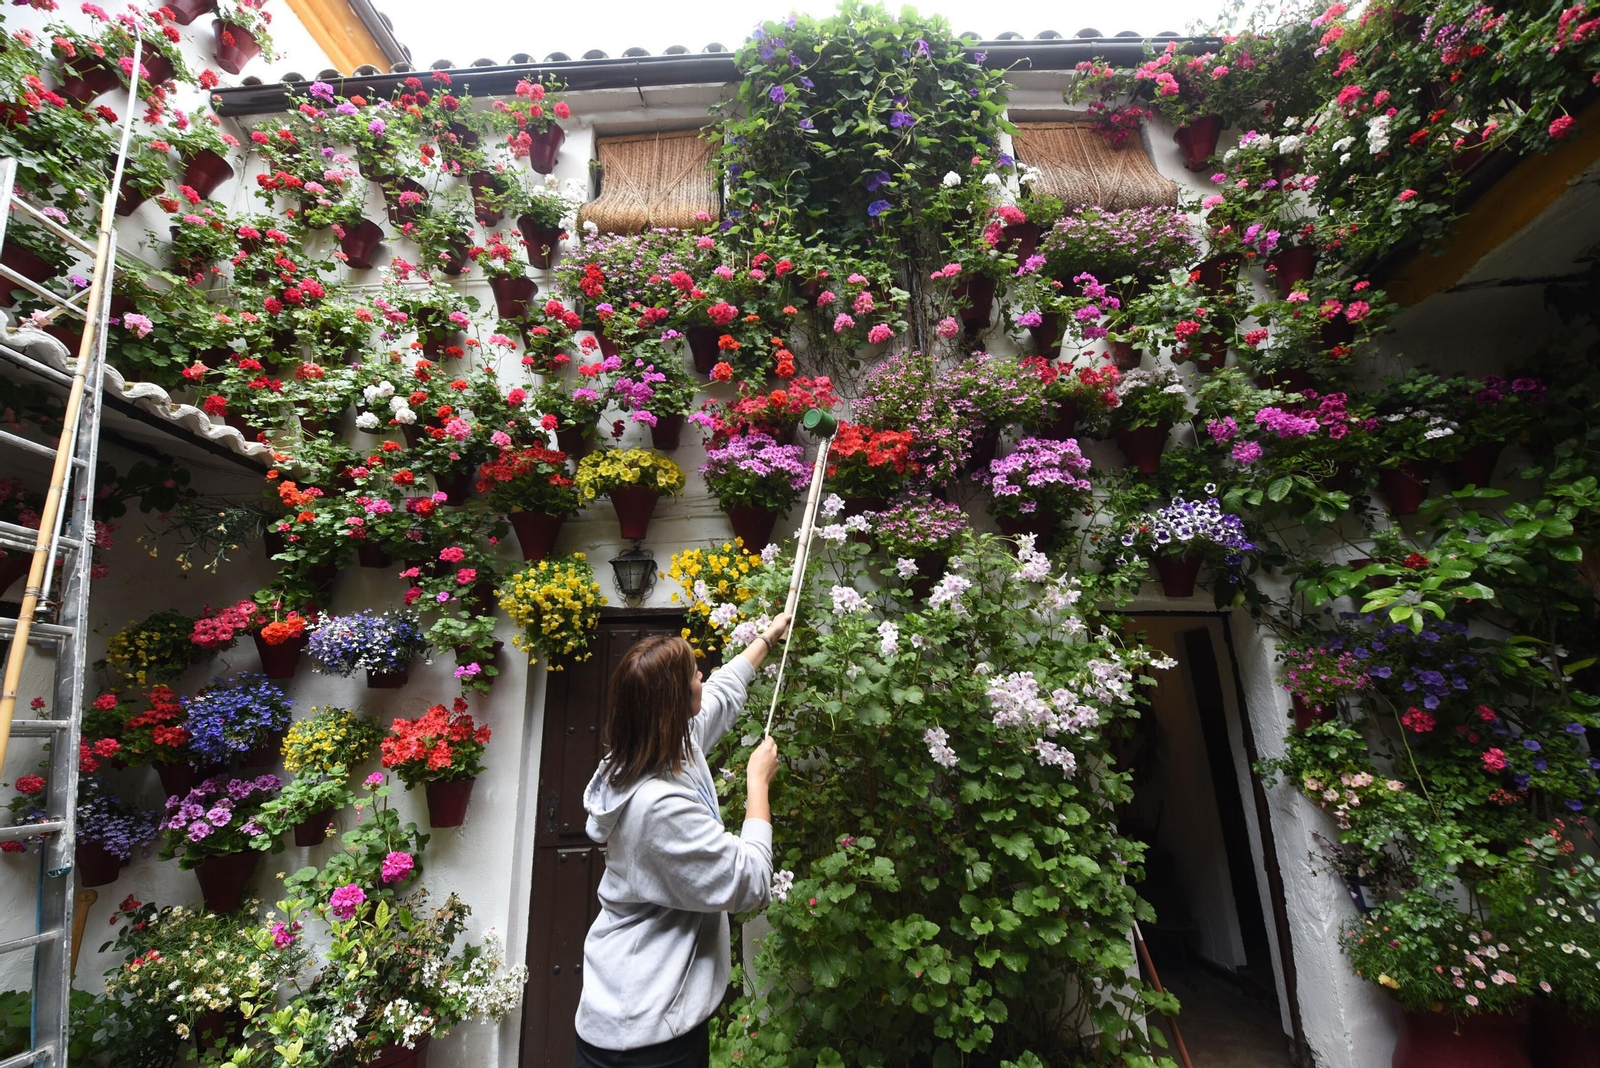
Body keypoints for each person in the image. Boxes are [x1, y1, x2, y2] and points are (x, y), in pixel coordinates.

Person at [574, 612, 793, 1068]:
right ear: (672, 701)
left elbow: (722, 691)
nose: (703, 675)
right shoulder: (657, 808)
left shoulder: (660, 746)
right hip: (643, 1036)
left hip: (642, 1019)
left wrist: (768, 639)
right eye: (693, 673)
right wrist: (758, 783)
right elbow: (749, 882)